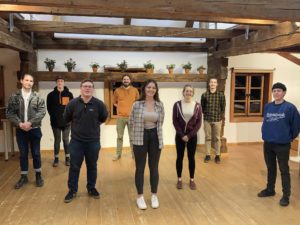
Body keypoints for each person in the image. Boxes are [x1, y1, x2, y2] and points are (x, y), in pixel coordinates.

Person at [63, 79, 108, 203]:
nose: (87, 88)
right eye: (85, 86)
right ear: (80, 88)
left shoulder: (99, 104)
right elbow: (66, 118)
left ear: (93, 89)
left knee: (92, 166)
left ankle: (91, 188)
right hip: (76, 142)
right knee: (74, 167)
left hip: (93, 142)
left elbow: (104, 117)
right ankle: (72, 190)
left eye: (90, 86)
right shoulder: (72, 103)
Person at [258, 82, 300, 207]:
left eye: (279, 91)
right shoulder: (267, 107)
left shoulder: (290, 108)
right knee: (270, 168)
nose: (276, 93)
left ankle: (286, 195)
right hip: (268, 143)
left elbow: (296, 126)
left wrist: (289, 137)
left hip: (282, 144)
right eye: (274, 90)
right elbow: (266, 122)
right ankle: (270, 189)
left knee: (284, 170)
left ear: (284, 92)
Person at [129, 79, 164, 210]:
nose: (151, 90)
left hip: (155, 136)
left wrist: (153, 133)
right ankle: (140, 196)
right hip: (140, 137)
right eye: (148, 87)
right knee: (140, 168)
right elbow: (131, 121)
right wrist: (135, 136)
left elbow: (161, 121)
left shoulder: (160, 105)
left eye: (153, 88)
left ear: (156, 90)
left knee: (154, 167)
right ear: (144, 89)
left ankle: (154, 195)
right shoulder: (137, 104)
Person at [6, 74, 46, 189]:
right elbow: (10, 113)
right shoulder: (14, 96)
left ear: (33, 83)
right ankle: (24, 177)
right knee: (23, 154)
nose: (29, 82)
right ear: (21, 81)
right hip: (20, 130)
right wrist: (20, 124)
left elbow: (42, 112)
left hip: (35, 130)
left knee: (36, 153)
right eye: (27, 80)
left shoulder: (37, 96)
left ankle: (38, 175)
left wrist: (30, 123)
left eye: (31, 81)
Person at [173, 85, 202, 190]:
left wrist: (189, 136)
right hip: (180, 136)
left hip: (192, 136)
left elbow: (198, 123)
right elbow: (175, 121)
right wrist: (182, 135)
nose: (188, 93)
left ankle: (192, 180)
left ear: (193, 93)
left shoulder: (198, 106)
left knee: (191, 158)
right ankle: (179, 179)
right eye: (187, 91)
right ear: (183, 92)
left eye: (190, 91)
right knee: (179, 157)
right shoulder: (177, 105)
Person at [47, 76, 73, 167]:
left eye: (62, 81)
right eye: (58, 81)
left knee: (66, 140)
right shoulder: (50, 95)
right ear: (56, 83)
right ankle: (56, 159)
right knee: (57, 141)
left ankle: (67, 158)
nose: (60, 82)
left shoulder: (69, 94)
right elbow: (49, 108)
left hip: (67, 123)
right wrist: (54, 117)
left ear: (64, 83)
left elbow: (71, 108)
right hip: (55, 123)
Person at [112, 74, 139, 161]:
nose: (126, 80)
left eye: (127, 79)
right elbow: (114, 102)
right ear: (122, 80)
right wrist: (121, 107)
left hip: (132, 118)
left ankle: (134, 154)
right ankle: (118, 154)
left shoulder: (135, 90)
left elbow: (138, 103)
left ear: (130, 81)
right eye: (124, 79)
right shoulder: (117, 90)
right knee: (119, 137)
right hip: (120, 118)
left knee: (132, 137)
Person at [201, 77, 226, 164]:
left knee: (217, 138)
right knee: (208, 138)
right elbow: (202, 107)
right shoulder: (204, 95)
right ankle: (208, 155)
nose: (212, 84)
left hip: (217, 120)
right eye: (211, 82)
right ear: (209, 84)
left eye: (214, 82)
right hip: (207, 120)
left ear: (217, 84)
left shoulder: (221, 95)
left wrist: (219, 116)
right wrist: (206, 114)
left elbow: (223, 108)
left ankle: (217, 155)